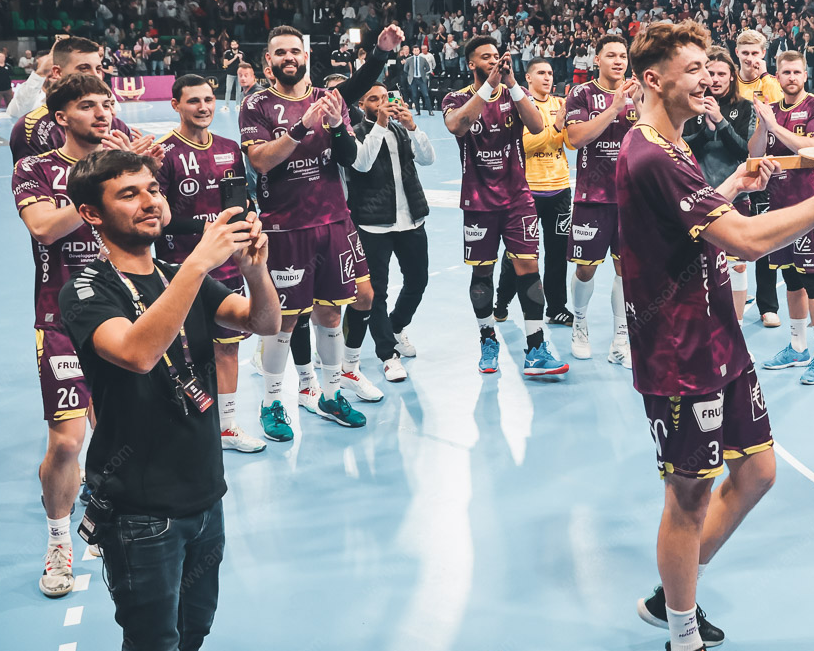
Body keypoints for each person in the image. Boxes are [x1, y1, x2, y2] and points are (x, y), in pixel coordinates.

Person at [617, 21, 814, 651]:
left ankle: (672, 591)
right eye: (691, 69)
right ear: (653, 80)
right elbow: (741, 242)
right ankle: (682, 647)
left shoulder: (673, 144)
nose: (706, 78)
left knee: (759, 471)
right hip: (678, 351)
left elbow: (698, 221)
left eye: (707, 66)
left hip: (718, 336)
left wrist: (736, 180)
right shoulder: (648, 154)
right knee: (688, 494)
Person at [58, 149, 280, 651]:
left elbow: (261, 321)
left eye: (153, 189)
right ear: (91, 214)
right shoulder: (87, 289)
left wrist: (254, 268)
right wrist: (201, 264)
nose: (149, 201)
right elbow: (136, 352)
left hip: (205, 497)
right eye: (128, 194)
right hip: (141, 512)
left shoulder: (176, 275)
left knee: (193, 635)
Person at [12, 74, 163, 599]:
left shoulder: (125, 161)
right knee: (67, 441)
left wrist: (146, 181)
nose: (102, 113)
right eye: (86, 106)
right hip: (60, 319)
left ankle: (104, 511)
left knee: (121, 426)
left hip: (120, 308)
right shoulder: (35, 168)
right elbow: (42, 228)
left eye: (106, 103)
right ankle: (59, 542)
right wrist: (100, 183)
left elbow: (161, 221)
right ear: (61, 117)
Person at [239, 26, 380, 441]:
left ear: (306, 56)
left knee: (331, 312)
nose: (289, 57)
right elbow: (261, 161)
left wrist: (336, 125)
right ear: (269, 61)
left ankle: (331, 394)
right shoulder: (257, 104)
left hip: (334, 221)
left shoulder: (328, 98)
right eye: (280, 52)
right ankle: (271, 402)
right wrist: (301, 127)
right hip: (285, 228)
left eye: (295, 51)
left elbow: (349, 158)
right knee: (283, 320)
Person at [441, 35, 569, 376]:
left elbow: (537, 125)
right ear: (471, 63)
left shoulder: (515, 93)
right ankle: (487, 338)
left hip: (517, 199)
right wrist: (489, 86)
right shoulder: (456, 98)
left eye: (497, 56)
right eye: (486, 57)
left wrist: (511, 84)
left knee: (529, 266)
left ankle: (536, 348)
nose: (494, 61)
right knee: (482, 271)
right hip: (478, 202)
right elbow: (457, 126)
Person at [155, 74, 268, 452]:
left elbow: (242, 201)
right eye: (193, 101)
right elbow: (158, 218)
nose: (203, 107)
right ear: (176, 105)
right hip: (180, 269)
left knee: (228, 347)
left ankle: (227, 426)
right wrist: (207, 227)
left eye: (208, 100)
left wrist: (249, 219)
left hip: (227, 266)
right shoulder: (164, 153)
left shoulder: (229, 148)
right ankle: (182, 429)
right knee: (181, 356)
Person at [750, 51, 814, 385]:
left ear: (805, 75)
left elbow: (812, 148)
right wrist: (764, 125)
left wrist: (774, 126)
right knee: (790, 277)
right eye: (785, 72)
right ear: (778, 75)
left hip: (810, 206)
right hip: (778, 205)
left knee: (811, 278)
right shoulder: (770, 110)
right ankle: (798, 347)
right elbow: (755, 153)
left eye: (796, 72)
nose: (791, 77)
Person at [348, 84, 434, 382]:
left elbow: (427, 159)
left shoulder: (401, 130)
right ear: (362, 104)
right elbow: (362, 164)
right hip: (374, 226)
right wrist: (381, 124)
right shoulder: (356, 133)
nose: (382, 103)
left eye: (385, 98)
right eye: (374, 99)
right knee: (376, 293)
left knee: (418, 281)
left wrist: (412, 127)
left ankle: (395, 326)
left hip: (411, 220)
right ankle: (387, 355)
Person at [562, 35, 640, 367]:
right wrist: (614, 109)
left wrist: (639, 104)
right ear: (597, 59)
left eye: (622, 55)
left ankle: (621, 339)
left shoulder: (640, 92)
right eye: (611, 55)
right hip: (592, 196)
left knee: (626, 270)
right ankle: (579, 324)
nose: (618, 61)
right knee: (586, 268)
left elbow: (655, 135)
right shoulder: (581, 93)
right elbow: (576, 138)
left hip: (631, 199)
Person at [493, 57, 574, 326]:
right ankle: (502, 302)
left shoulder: (560, 104)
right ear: (528, 78)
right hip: (527, 191)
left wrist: (566, 127)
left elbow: (569, 144)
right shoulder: (521, 105)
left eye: (550, 73)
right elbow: (525, 144)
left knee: (557, 253)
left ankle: (556, 308)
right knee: (518, 253)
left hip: (559, 189)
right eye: (541, 73)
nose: (547, 77)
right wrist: (556, 127)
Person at [683, 46, 753, 320]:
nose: (715, 79)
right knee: (699, 265)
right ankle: (704, 324)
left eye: (721, 74)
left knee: (737, 265)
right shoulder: (690, 105)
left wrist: (721, 122)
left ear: (732, 76)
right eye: (710, 73)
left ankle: (737, 325)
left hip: (736, 198)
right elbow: (682, 149)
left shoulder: (744, 107)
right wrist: (705, 131)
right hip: (697, 197)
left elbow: (744, 151)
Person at [10, 37, 135, 164]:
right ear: (57, 72)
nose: (95, 76)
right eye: (84, 68)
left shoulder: (116, 126)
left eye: (98, 69)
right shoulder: (33, 129)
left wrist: (137, 163)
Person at [733, 29, 784, 328]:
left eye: (755, 53)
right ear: (737, 52)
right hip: (732, 166)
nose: (750, 58)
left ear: (763, 54)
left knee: (764, 238)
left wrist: (766, 77)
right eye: (745, 53)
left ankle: (768, 306)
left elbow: (779, 117)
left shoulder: (770, 84)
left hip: (762, 167)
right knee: (729, 237)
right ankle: (732, 298)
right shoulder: (729, 81)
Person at [403, 44, 434, 114]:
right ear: (413, 51)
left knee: (426, 95)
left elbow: (428, 68)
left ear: (419, 51)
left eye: (417, 50)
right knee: (414, 95)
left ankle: (430, 110)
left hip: (421, 79)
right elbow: (405, 69)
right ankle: (418, 111)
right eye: (415, 50)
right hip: (413, 79)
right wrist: (410, 74)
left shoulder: (423, 59)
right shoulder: (409, 60)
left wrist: (423, 72)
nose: (416, 51)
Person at [221, 40, 244, 110]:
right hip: (230, 74)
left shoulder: (241, 53)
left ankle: (238, 105)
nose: (234, 46)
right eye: (232, 45)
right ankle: (226, 105)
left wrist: (240, 59)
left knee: (238, 90)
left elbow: (243, 64)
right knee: (228, 89)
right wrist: (234, 58)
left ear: (237, 45)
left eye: (235, 44)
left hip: (239, 74)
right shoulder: (227, 53)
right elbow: (225, 64)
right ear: (231, 46)